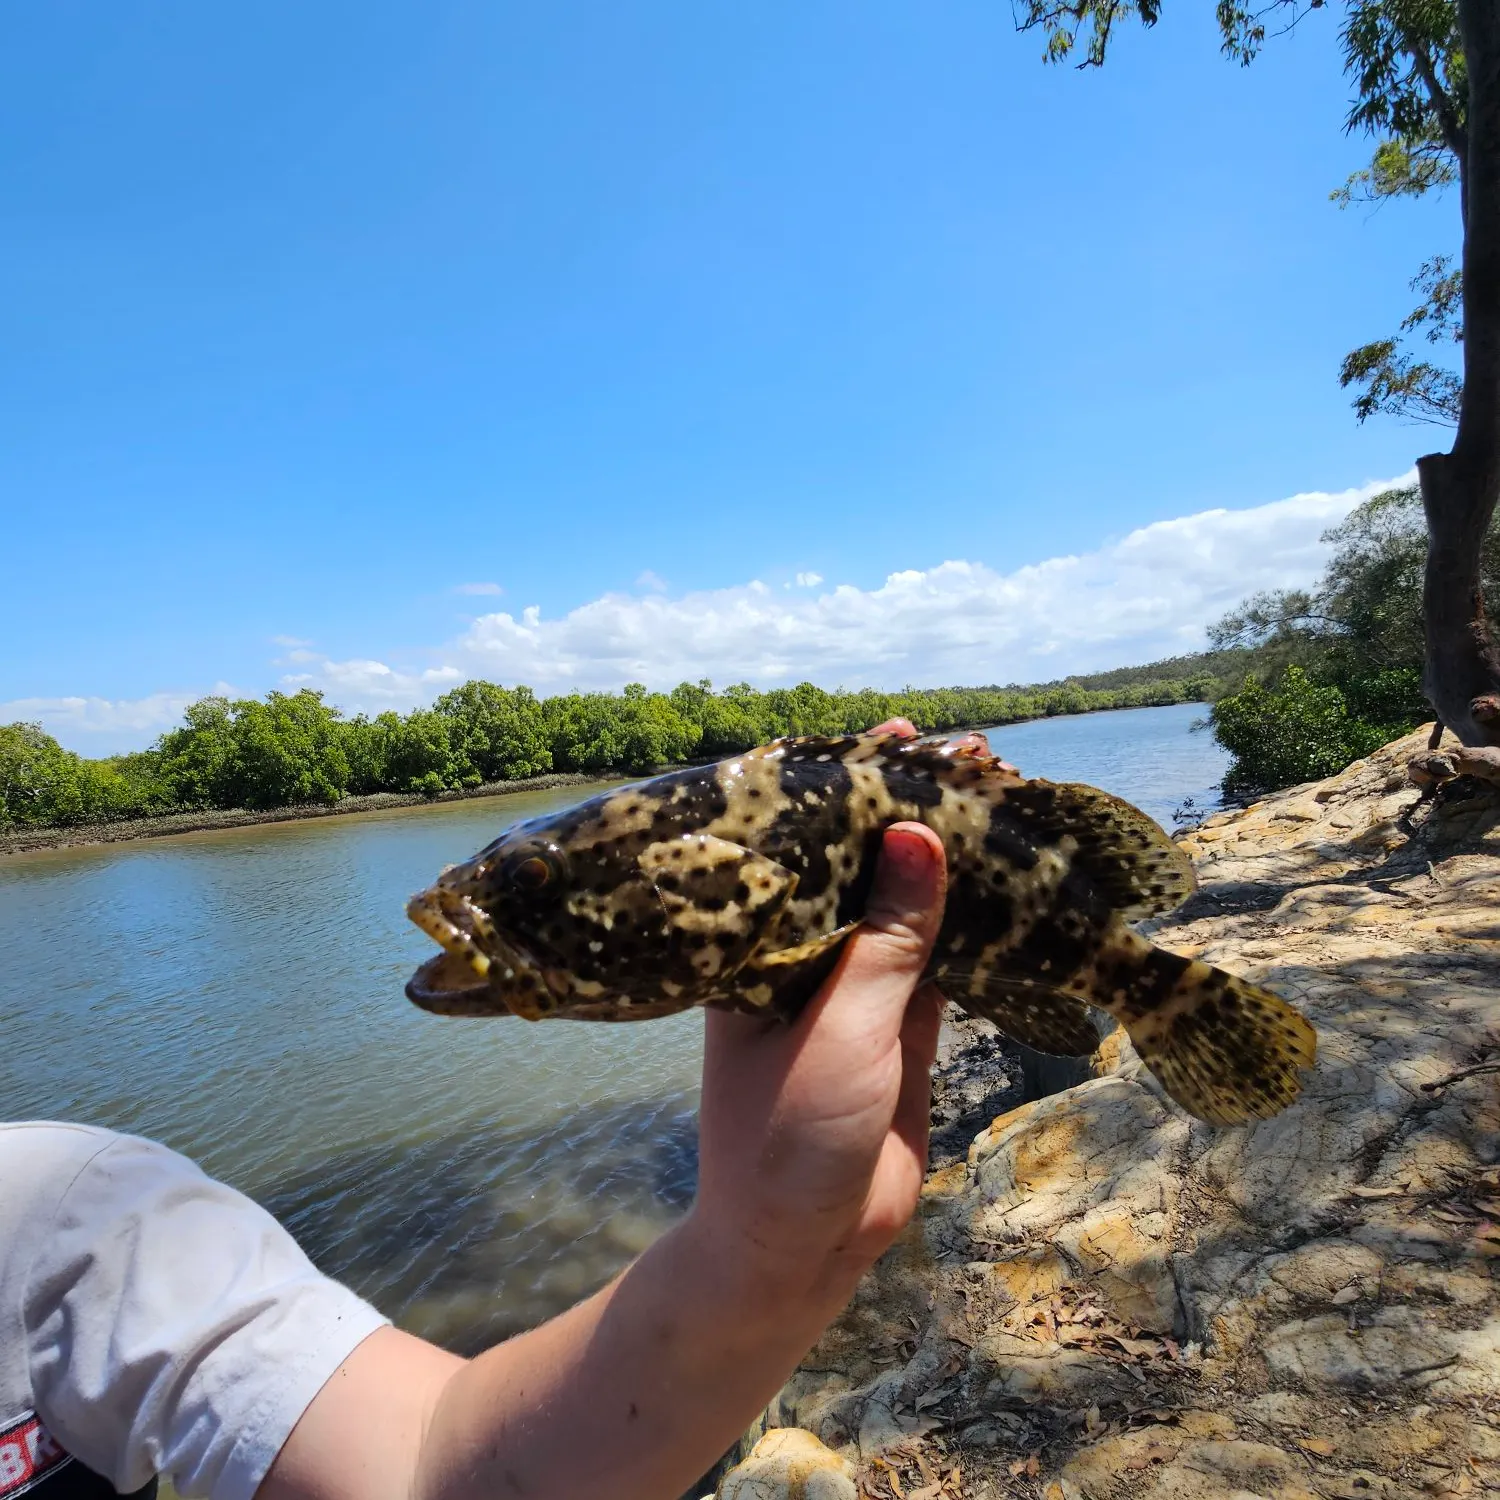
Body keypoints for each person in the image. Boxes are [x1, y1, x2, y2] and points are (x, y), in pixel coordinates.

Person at [2, 820, 949, 1500]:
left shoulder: (70, 1218)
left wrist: (768, 1244)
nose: (472, 914)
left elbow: (425, 1470)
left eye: (536, 885)